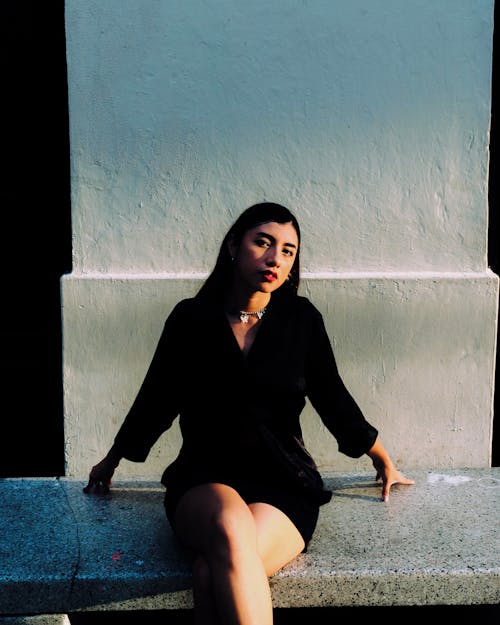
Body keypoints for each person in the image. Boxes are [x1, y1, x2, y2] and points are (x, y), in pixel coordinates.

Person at [84, 202, 414, 624]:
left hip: (284, 483)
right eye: (264, 242)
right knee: (229, 523)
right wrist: (113, 458)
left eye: (289, 251)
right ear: (232, 247)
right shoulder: (191, 319)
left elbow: (334, 399)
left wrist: (382, 458)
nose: (276, 258)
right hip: (204, 480)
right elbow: (156, 397)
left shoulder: (301, 320)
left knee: (211, 570)